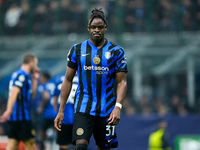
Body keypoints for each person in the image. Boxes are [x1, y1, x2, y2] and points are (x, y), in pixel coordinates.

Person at [54, 8, 128, 150]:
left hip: (107, 110)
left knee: (104, 147)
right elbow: (68, 79)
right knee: (80, 147)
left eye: (100, 27)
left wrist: (118, 107)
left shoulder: (117, 51)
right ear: (88, 28)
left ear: (105, 27)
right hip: (83, 108)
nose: (96, 30)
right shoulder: (76, 50)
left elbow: (122, 81)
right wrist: (61, 110)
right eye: (93, 27)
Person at [0, 53, 39, 150]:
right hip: (22, 118)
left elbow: (32, 95)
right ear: (31, 63)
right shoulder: (22, 75)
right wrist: (9, 110)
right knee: (30, 144)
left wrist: (35, 78)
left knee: (12, 144)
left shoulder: (17, 74)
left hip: (14, 118)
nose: (36, 66)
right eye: (35, 63)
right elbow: (14, 93)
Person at [53, 74, 78, 150]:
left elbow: (55, 99)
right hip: (79, 118)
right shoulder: (83, 77)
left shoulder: (60, 79)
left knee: (63, 144)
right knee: (78, 143)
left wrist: (58, 112)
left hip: (63, 118)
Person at [36, 71, 57, 150]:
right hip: (55, 113)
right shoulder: (54, 85)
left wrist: (41, 107)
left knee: (41, 130)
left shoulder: (43, 86)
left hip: (47, 114)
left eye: (41, 77)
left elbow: (46, 96)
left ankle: (43, 145)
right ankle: (55, 145)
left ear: (44, 77)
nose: (40, 79)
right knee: (56, 130)